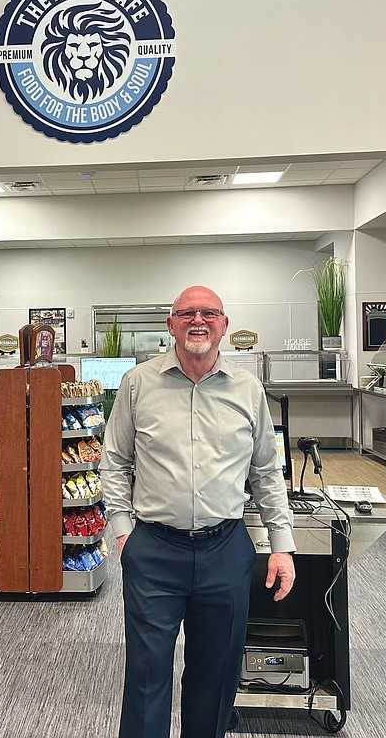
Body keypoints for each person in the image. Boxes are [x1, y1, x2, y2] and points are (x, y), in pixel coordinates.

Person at [102, 285, 296, 738]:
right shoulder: (138, 384)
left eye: (209, 313)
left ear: (224, 325)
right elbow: (114, 461)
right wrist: (124, 530)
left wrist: (281, 545)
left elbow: (266, 471)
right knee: (147, 678)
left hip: (225, 550)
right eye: (186, 313)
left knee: (215, 677)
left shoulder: (248, 390)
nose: (198, 320)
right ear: (170, 325)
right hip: (153, 550)